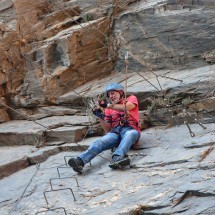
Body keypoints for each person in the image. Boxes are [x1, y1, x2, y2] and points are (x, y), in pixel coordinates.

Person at [68, 83, 141, 173]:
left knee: (130, 134)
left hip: (129, 129)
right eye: (109, 94)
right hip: (115, 132)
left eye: (113, 93)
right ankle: (80, 161)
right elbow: (107, 129)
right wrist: (100, 117)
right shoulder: (109, 109)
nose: (111, 96)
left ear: (121, 93)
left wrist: (108, 105)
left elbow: (127, 107)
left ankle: (117, 158)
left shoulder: (130, 99)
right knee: (99, 142)